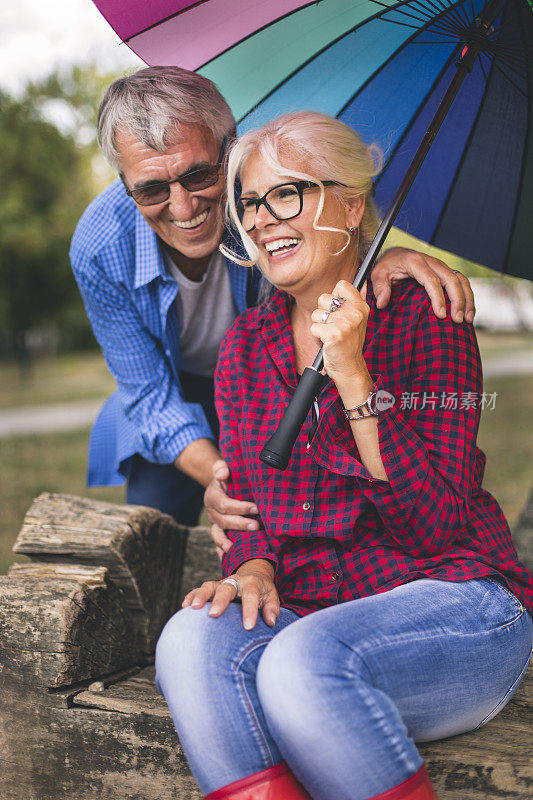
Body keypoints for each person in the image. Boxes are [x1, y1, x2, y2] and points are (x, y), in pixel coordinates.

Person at [155, 112, 533, 800]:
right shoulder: (246, 345)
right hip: (316, 608)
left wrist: (355, 377)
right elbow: (249, 510)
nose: (263, 219)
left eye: (287, 194)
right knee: (189, 640)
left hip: (454, 606)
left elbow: (435, 527)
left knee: (300, 662)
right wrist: (255, 566)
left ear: (351, 205)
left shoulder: (425, 313)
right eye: (249, 203)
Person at [70, 66, 476, 529]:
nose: (182, 208)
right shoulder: (100, 245)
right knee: (152, 522)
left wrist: (379, 253)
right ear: (125, 183)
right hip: (180, 386)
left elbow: (326, 240)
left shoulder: (263, 199)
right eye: (151, 189)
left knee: (311, 508)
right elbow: (148, 396)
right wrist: (228, 483)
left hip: (275, 377)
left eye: (200, 175)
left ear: (230, 149)